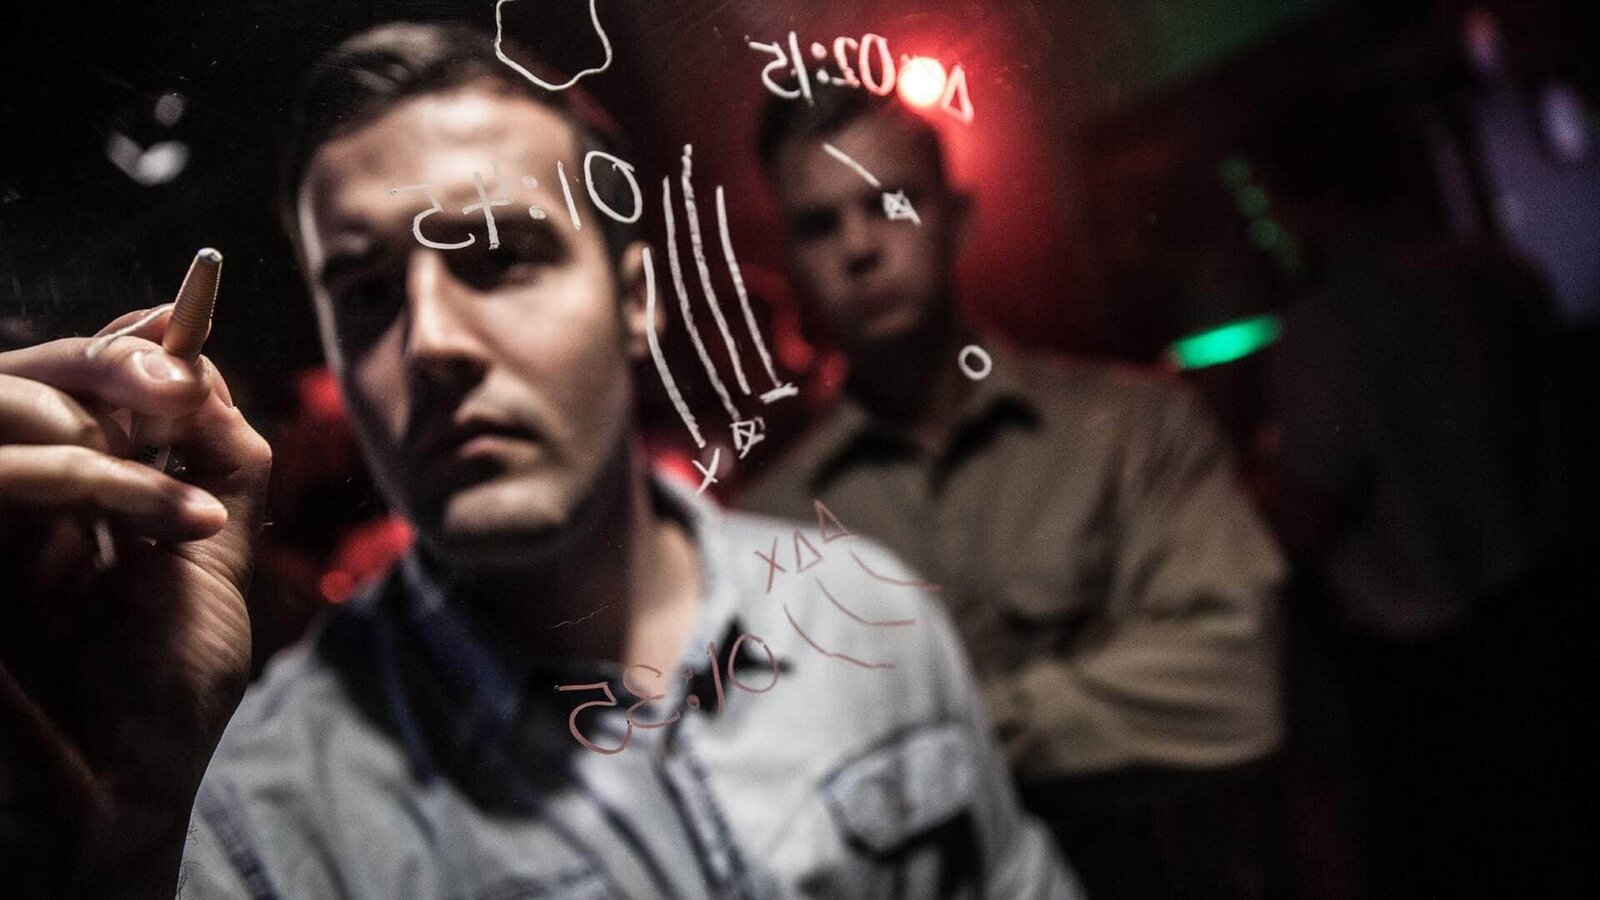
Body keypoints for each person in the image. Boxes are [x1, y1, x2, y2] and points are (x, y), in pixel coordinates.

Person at [0, 22, 1080, 899]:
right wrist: (129, 841)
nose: (429, 341)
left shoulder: (860, 610)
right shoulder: (263, 811)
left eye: (502, 256)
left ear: (635, 300)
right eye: (365, 294)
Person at [738, 88, 1288, 899]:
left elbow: (1236, 686)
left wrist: (937, 735)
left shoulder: (1134, 429)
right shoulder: (765, 535)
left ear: (958, 221)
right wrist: (1104, 697)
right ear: (790, 258)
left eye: (889, 204)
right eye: (819, 225)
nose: (858, 247)